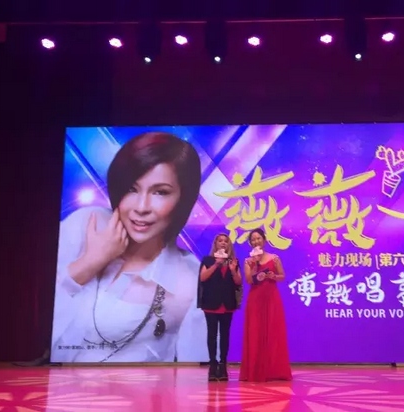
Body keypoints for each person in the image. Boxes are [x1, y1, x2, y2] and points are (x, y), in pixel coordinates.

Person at [51, 131, 208, 363]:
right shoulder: (86, 224)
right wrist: (89, 263)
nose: (141, 207)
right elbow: (29, 324)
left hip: (130, 387)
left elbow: (196, 373)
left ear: (183, 199)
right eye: (131, 189)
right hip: (46, 382)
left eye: (160, 192)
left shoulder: (190, 281)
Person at [239, 228, 292, 382]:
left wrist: (273, 276)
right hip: (255, 300)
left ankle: (274, 371)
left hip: (272, 298)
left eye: (258, 238)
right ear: (250, 243)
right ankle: (255, 371)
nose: (256, 241)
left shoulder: (274, 258)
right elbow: (249, 280)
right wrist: (255, 264)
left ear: (264, 240)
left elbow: (282, 276)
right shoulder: (248, 261)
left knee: (273, 333)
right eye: (253, 239)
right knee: (255, 333)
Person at [198, 234, 242, 381]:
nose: (223, 243)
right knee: (212, 334)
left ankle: (223, 365)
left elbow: (238, 282)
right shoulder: (208, 260)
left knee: (225, 335)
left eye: (226, 241)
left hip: (227, 303)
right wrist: (216, 264)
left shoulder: (233, 261)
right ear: (215, 244)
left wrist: (233, 270)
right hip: (211, 303)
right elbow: (203, 278)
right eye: (220, 241)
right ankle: (212, 364)